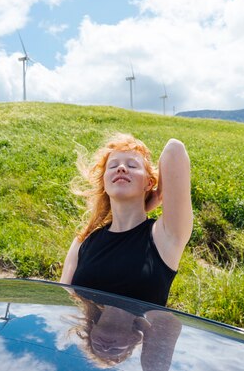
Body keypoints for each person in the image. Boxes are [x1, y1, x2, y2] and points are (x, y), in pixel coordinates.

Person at [60, 133, 193, 306]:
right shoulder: (83, 242)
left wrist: (160, 193)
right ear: (105, 183)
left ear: (149, 183)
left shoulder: (164, 236)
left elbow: (174, 149)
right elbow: (63, 306)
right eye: (113, 165)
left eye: (132, 165)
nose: (121, 168)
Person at [67, 289, 182, 370]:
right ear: (133, 339)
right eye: (114, 350)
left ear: (92, 329)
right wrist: (144, 329)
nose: (106, 347)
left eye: (97, 346)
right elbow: (167, 325)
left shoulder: (81, 292)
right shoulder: (148, 308)